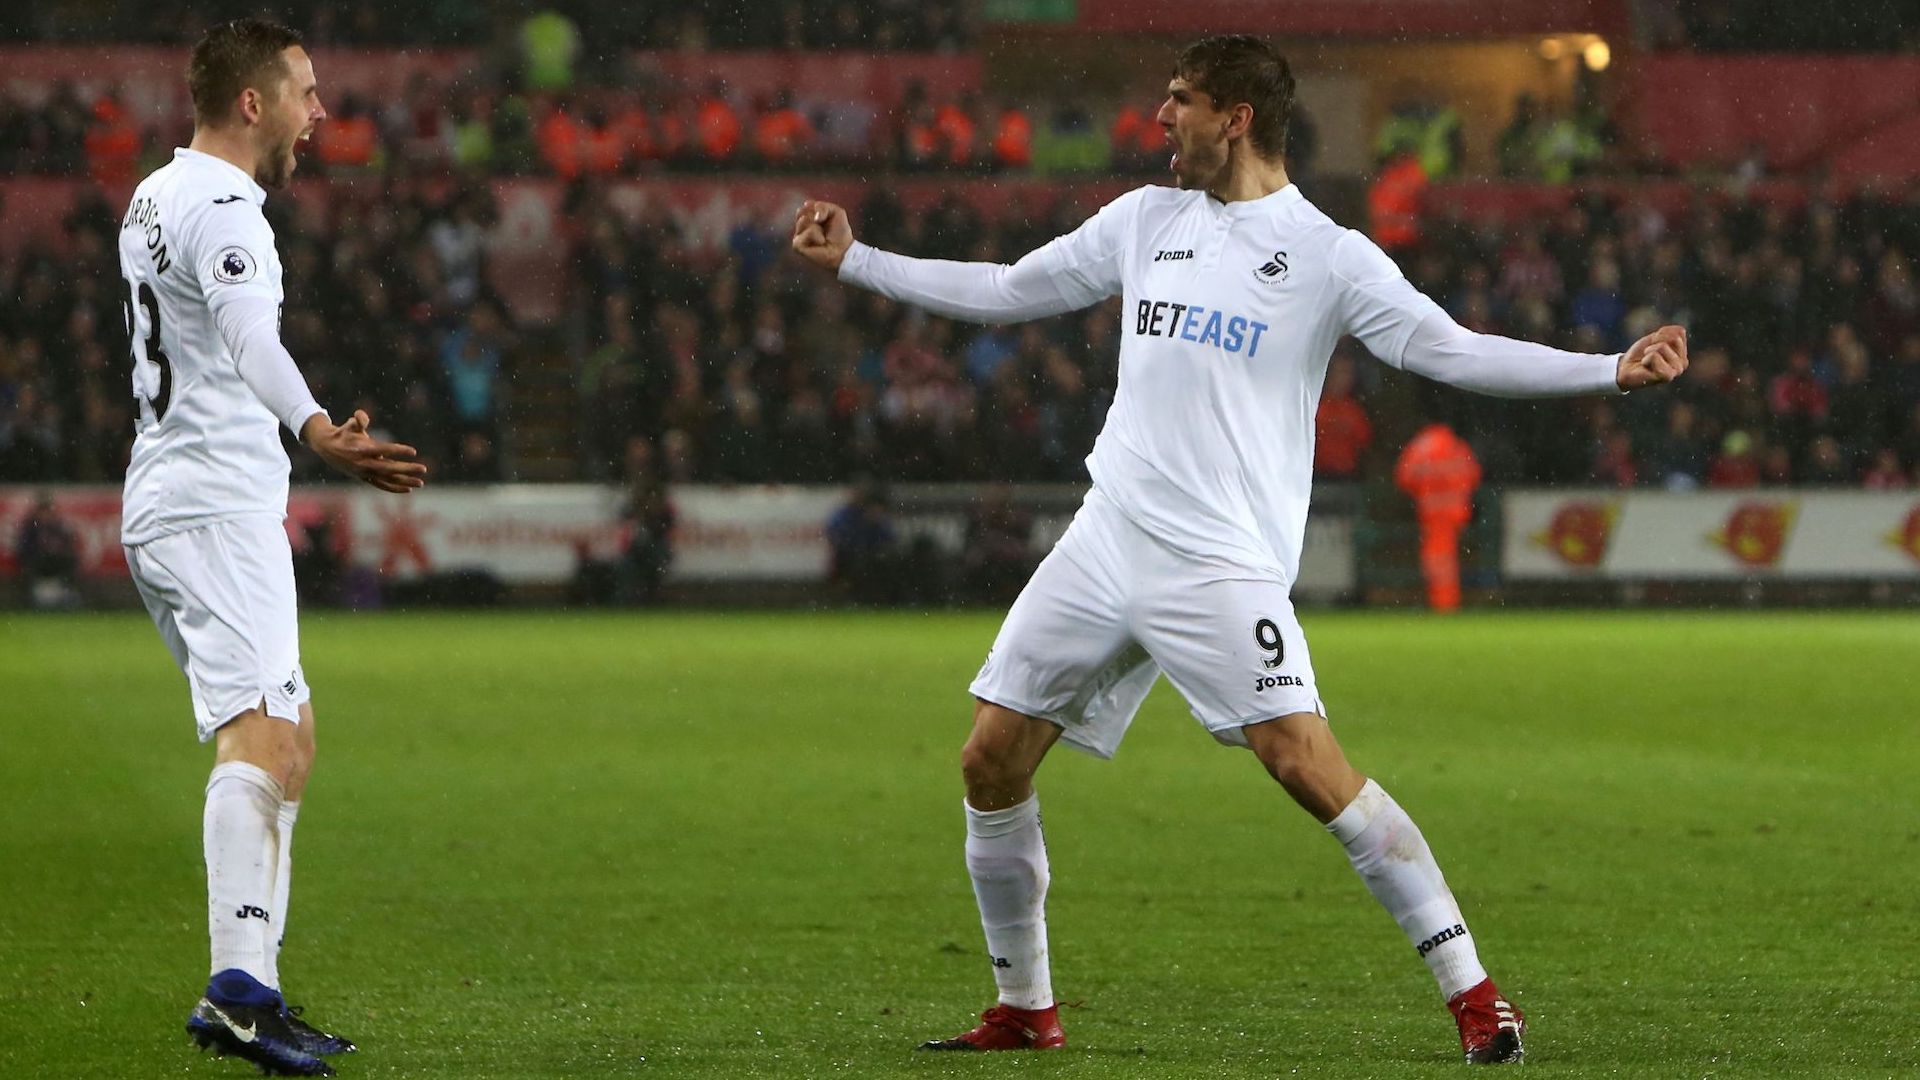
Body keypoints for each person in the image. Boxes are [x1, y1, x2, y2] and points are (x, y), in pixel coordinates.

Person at [792, 34, 1688, 1065]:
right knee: (989, 759)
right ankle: (1025, 1008)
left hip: (1218, 563)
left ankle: (1477, 996)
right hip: (1107, 534)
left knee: (1305, 763)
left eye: (1179, 100)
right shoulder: (1145, 218)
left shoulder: (1328, 255)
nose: (1159, 118)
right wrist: (857, 260)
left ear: (1237, 118)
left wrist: (1606, 370)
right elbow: (1007, 287)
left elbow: (1450, 348)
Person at [116, 19, 428, 1077]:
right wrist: (317, 427)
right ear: (254, 103)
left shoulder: (155, 193)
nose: (319, 111)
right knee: (259, 734)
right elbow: (252, 335)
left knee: (290, 734)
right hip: (212, 505)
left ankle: (256, 985)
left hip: (184, 497)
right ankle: (238, 994)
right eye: (305, 91)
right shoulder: (222, 207)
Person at [1395, 419, 1482, 612]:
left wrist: (1425, 490)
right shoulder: (1458, 447)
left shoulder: (1421, 447)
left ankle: (1443, 603)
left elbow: (1404, 477)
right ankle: (1446, 602)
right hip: (1456, 512)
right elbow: (1474, 475)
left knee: (1436, 559)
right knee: (1447, 558)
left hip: (1432, 512)